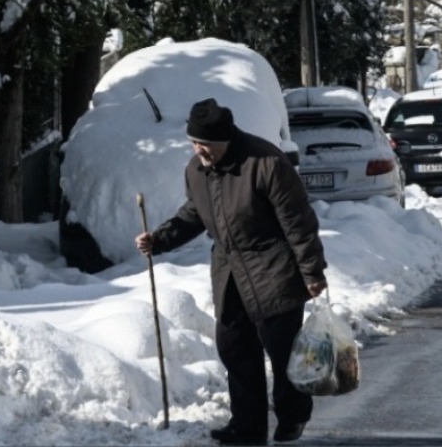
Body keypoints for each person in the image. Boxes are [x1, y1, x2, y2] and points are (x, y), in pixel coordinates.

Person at [136, 98, 328, 446]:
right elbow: (194, 212)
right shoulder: (197, 170)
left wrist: (312, 271)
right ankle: (248, 426)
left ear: (226, 140)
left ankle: (292, 414)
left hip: (274, 267)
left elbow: (298, 221)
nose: (199, 151)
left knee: (283, 351)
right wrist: (159, 239)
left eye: (206, 145)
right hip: (229, 271)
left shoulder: (266, 162)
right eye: (194, 143)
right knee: (234, 348)